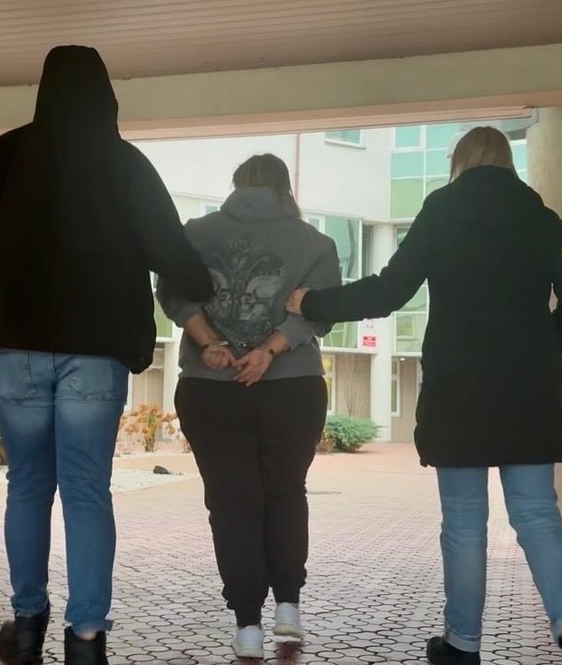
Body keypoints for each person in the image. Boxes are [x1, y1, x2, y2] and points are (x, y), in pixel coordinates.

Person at [0, 45, 213, 665]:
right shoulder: (126, 165)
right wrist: (201, 285)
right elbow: (169, 248)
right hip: (96, 352)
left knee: (27, 487)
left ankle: (26, 624)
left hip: (16, 347)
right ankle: (87, 637)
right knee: (86, 490)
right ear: (106, 96)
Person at [286, 127, 562, 665]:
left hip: (458, 389)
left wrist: (314, 301)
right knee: (537, 514)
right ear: (507, 163)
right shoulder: (543, 219)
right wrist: (548, 342)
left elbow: (388, 291)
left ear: (459, 162)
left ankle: (462, 645)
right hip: (529, 391)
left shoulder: (441, 212)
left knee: (463, 520)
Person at [156, 154, 341, 659]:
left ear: (237, 185)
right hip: (292, 387)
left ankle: (247, 626)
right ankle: (289, 606)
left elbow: (172, 294)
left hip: (210, 388)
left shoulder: (196, 233)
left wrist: (211, 343)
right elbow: (320, 312)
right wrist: (268, 351)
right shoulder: (314, 242)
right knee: (286, 492)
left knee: (231, 502)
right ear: (284, 188)